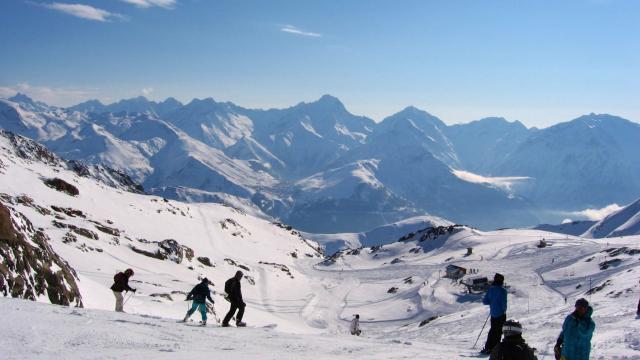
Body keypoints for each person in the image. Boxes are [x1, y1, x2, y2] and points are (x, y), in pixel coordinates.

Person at [480, 273, 508, 355]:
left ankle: (488, 347)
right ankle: (495, 349)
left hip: (493, 314)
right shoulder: (503, 291)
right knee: (498, 331)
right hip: (500, 314)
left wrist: (492, 303)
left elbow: (485, 301)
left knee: (492, 330)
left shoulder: (491, 289)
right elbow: (504, 304)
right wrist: (503, 311)